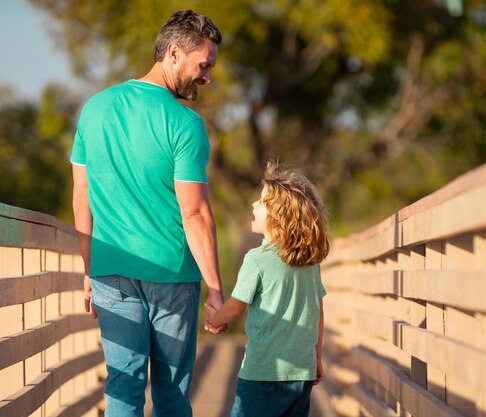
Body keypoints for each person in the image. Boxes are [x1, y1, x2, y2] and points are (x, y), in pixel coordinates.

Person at [71, 10, 225, 417]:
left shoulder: (95, 107)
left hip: (110, 273)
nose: (207, 76)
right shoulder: (184, 124)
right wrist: (216, 289)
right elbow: (194, 214)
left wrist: (89, 268)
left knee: (123, 387)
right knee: (172, 394)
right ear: (174, 53)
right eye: (203, 65)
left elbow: (81, 194)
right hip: (172, 277)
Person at [205, 161, 330, 417]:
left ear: (279, 215)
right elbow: (317, 312)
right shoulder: (311, 262)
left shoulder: (257, 259)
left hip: (263, 372)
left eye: (261, 202)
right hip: (301, 373)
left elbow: (236, 306)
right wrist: (317, 356)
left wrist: (215, 318)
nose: (254, 205)